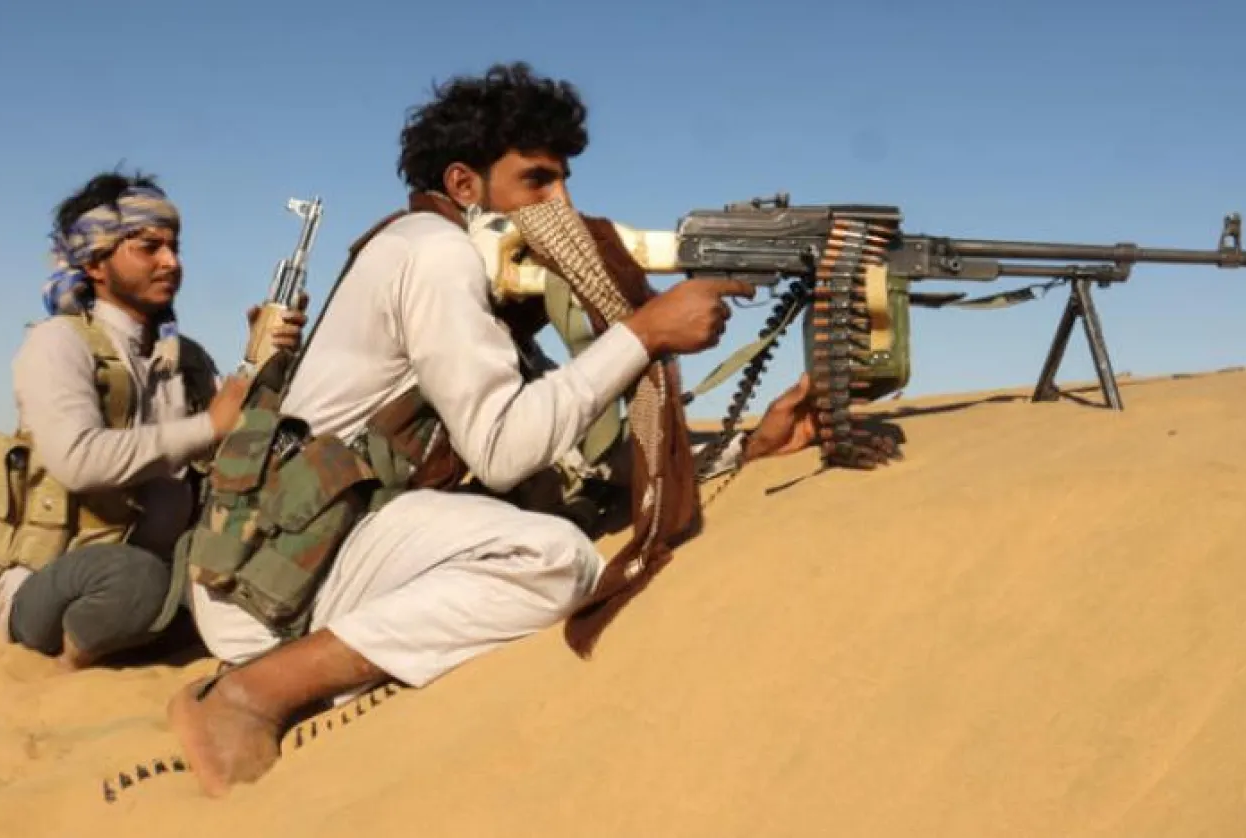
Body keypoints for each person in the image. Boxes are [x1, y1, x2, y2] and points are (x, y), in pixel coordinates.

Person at [168, 62, 823, 797]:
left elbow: (571, 441)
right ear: (464, 185)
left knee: (557, 513)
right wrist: (643, 335)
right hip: (277, 583)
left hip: (314, 548)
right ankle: (253, 696)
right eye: (538, 181)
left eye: (564, 181)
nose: (562, 203)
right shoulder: (435, 254)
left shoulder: (452, 262)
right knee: (554, 559)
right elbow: (504, 451)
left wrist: (744, 447)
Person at [0, 170, 306, 670]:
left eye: (174, 247)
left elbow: (237, 445)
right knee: (133, 581)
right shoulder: (57, 344)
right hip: (56, 576)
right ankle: (75, 658)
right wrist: (207, 427)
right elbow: (78, 460)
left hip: (165, 564)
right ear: (97, 263)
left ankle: (155, 631)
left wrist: (268, 365)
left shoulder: (184, 358)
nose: (171, 262)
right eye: (149, 247)